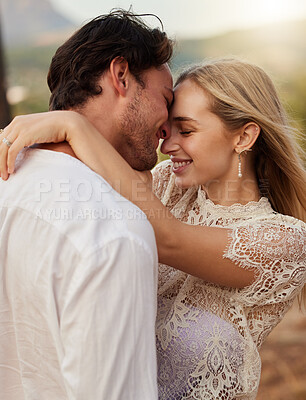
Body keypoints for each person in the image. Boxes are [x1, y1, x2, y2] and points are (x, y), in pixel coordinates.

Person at [1, 59, 305, 399]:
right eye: (169, 128)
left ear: (244, 136)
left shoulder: (284, 242)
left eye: (186, 131)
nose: (167, 146)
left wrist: (73, 124)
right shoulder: (165, 185)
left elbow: (170, 239)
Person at [0, 9, 174, 400]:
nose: (169, 128)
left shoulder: (7, 183)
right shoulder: (115, 232)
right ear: (121, 75)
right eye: (166, 99)